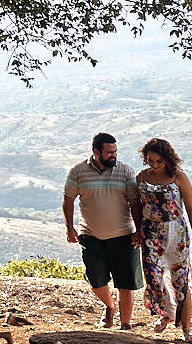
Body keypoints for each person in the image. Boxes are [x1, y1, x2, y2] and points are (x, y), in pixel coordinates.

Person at [63, 132, 145, 330]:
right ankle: (110, 307)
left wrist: (139, 230)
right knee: (96, 280)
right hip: (91, 236)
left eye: (115, 152)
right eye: (109, 152)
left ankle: (125, 324)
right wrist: (69, 227)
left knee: (126, 283)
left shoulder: (125, 171)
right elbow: (68, 200)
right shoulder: (77, 171)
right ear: (96, 152)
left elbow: (135, 203)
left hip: (124, 236)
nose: (114, 155)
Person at [137, 138, 192, 342]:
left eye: (159, 161)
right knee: (153, 278)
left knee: (180, 280)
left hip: (176, 232)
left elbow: (191, 208)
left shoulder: (178, 177)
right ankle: (166, 314)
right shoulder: (141, 177)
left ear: (167, 159)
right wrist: (138, 230)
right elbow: (138, 207)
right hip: (150, 232)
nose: (154, 165)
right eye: (150, 161)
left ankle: (186, 329)